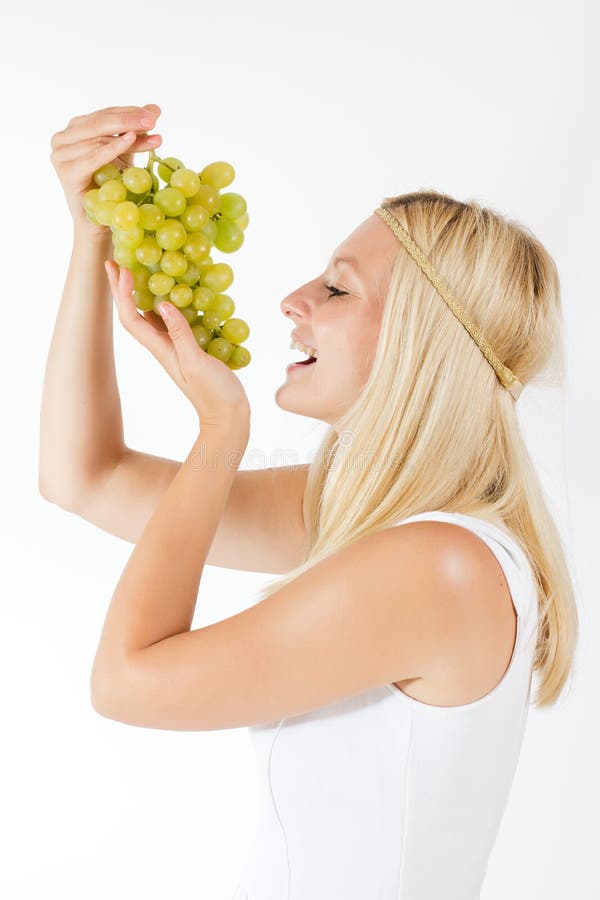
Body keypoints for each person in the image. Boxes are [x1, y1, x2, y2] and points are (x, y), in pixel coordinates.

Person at [40, 104, 578, 900]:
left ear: (420, 339)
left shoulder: (439, 567)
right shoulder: (380, 525)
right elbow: (81, 476)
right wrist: (92, 238)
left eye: (336, 286)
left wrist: (222, 428)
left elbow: (126, 682)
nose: (293, 299)